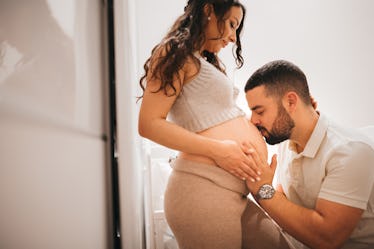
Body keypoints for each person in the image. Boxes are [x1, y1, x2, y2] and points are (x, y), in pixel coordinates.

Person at [138, 1, 291, 248]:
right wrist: (219, 150)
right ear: (208, 10)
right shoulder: (173, 53)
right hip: (202, 189)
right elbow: (149, 124)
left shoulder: (205, 64)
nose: (232, 37)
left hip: (234, 192)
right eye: (232, 24)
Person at [244, 59, 374, 249]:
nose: (253, 120)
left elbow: (327, 238)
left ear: (290, 102)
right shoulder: (286, 142)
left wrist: (263, 189)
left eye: (259, 111)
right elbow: (285, 201)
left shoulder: (349, 152)